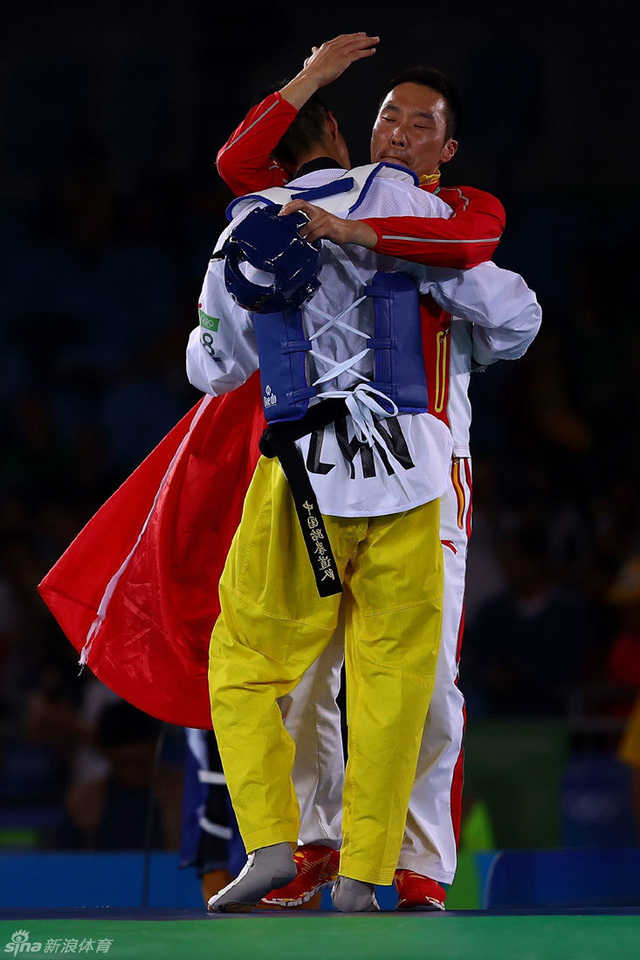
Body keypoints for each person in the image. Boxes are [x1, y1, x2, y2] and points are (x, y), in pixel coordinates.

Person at [211, 33, 539, 911]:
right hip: (331, 468)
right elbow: (242, 169)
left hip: (430, 470)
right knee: (309, 674)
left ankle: (418, 862)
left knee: (423, 684)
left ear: (447, 147)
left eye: (420, 123)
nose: (397, 131)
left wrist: (433, 283)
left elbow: (513, 312)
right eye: (388, 115)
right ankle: (321, 844)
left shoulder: (451, 219)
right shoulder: (318, 203)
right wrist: (313, 78)